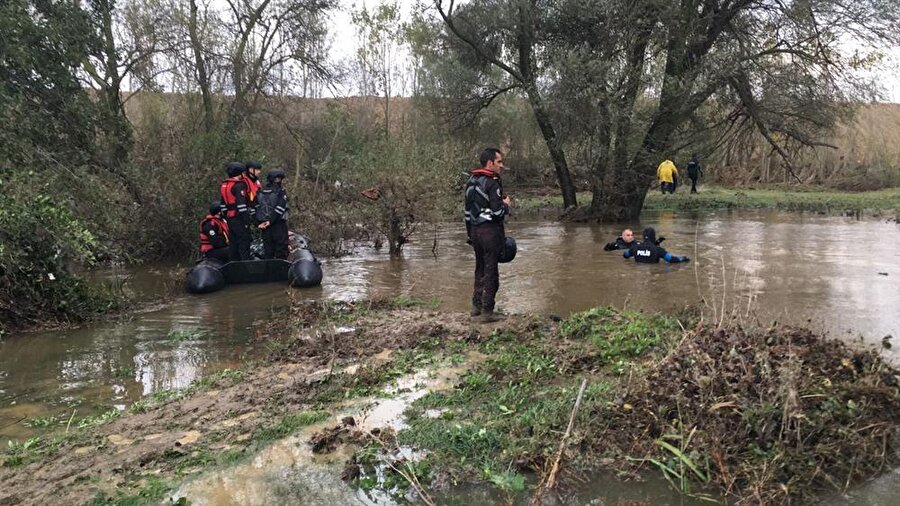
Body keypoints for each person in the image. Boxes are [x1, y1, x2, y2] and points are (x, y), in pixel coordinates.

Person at [464, 147, 510, 322]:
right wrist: (506, 204)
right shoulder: (492, 183)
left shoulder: (471, 181)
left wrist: (470, 234)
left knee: (480, 269)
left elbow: (467, 213)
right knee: (491, 272)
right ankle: (487, 312)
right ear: (490, 163)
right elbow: (498, 213)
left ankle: (475, 308)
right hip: (490, 232)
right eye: (499, 162)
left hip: (475, 232)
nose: (502, 166)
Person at [220, 161, 252, 260]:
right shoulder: (239, 185)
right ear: (239, 173)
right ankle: (245, 266)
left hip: (230, 218)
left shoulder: (224, 185)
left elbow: (223, 205)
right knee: (244, 241)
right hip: (238, 218)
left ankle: (233, 264)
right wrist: (247, 221)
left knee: (233, 243)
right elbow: (241, 206)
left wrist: (226, 218)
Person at [256, 168, 290, 260]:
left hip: (264, 225)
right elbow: (280, 209)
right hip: (278, 224)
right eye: (279, 179)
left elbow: (255, 208)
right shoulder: (280, 192)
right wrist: (270, 221)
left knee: (268, 250)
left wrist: (258, 223)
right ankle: (281, 270)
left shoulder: (260, 192)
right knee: (281, 248)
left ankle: (269, 270)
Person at [623, 227, 689, 264]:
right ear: (653, 237)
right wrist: (683, 258)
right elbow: (671, 259)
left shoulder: (635, 247)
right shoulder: (658, 250)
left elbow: (625, 255)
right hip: (652, 273)